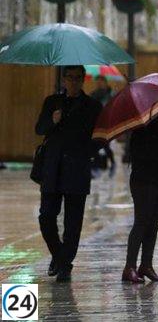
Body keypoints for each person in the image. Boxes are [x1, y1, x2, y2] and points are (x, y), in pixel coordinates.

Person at [34, 65, 103, 282]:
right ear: (63, 79)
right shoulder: (52, 102)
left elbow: (101, 137)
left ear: (83, 80)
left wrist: (85, 153)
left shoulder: (92, 106)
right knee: (46, 217)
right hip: (52, 169)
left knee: (73, 224)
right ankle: (60, 257)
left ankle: (64, 264)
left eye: (78, 78)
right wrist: (53, 121)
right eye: (70, 78)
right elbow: (39, 129)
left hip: (77, 169)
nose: (73, 82)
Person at [122, 113, 158, 283]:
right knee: (141, 222)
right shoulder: (141, 131)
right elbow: (149, 155)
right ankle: (129, 267)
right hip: (143, 182)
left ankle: (146, 265)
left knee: (154, 224)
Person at [89, 76, 116, 177]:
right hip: (96, 123)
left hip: (108, 123)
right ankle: (98, 165)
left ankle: (111, 163)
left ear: (105, 82)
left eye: (100, 82)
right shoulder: (94, 94)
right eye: (97, 82)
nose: (99, 84)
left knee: (106, 145)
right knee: (99, 144)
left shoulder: (111, 94)